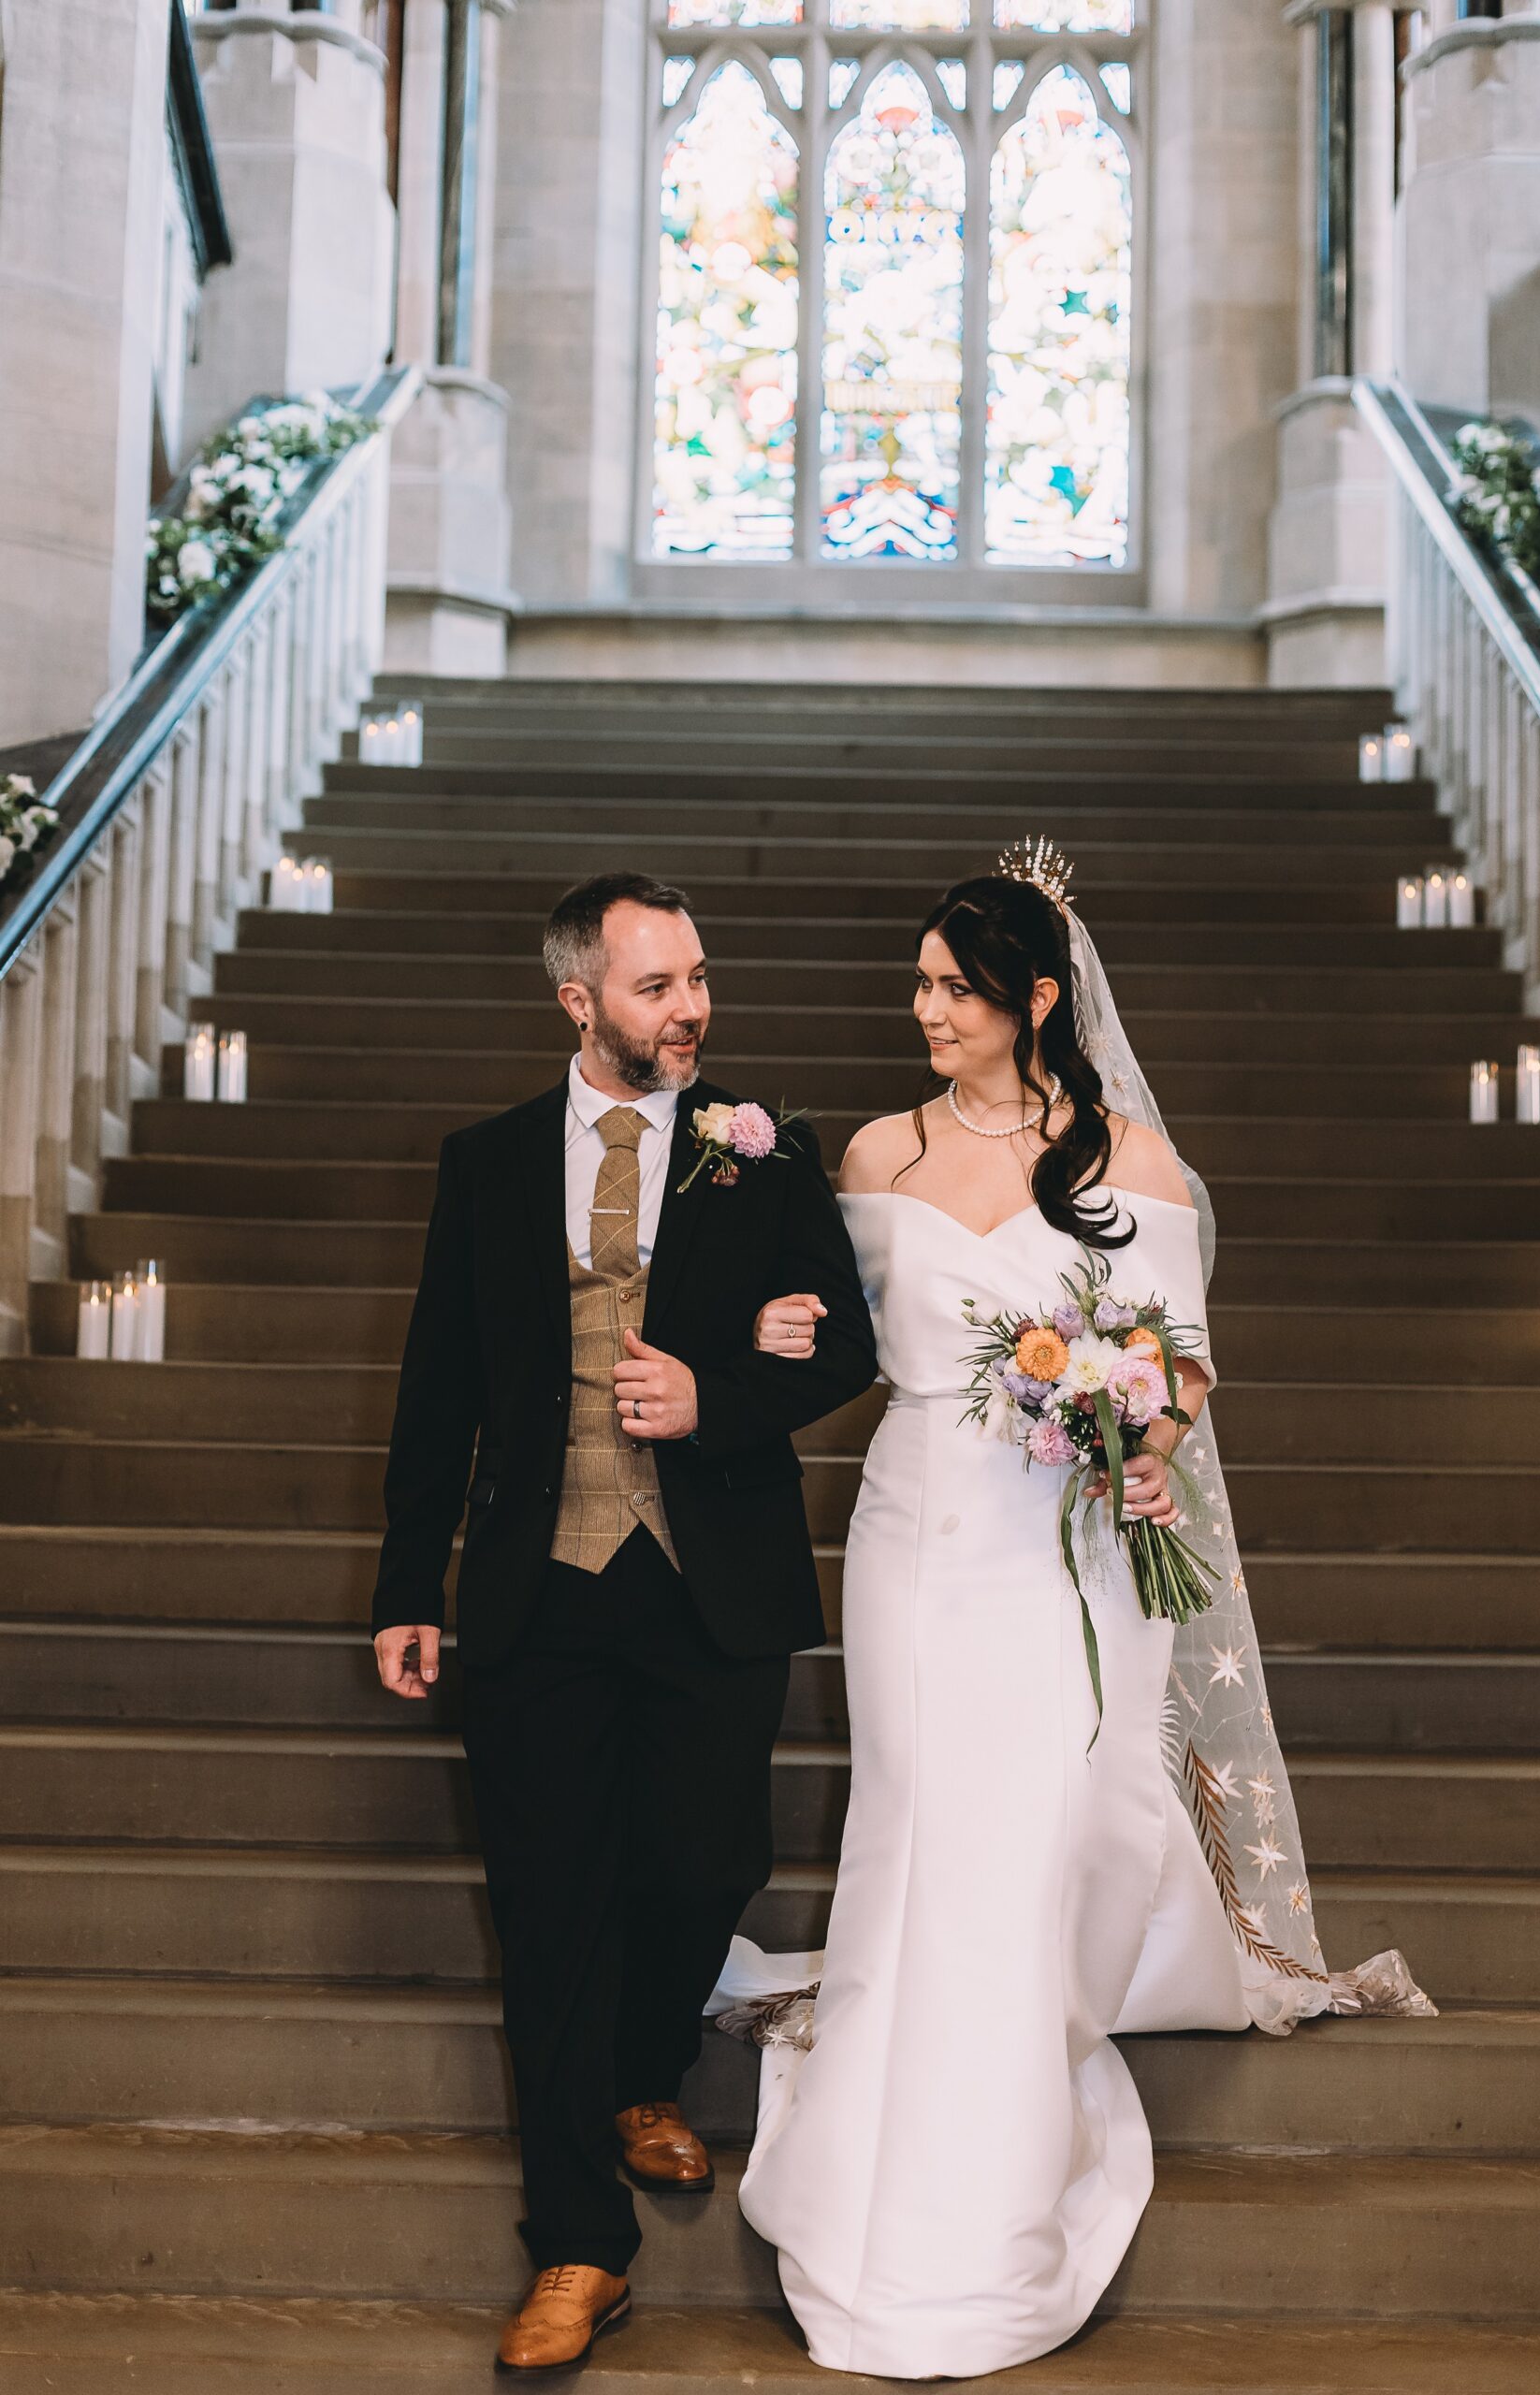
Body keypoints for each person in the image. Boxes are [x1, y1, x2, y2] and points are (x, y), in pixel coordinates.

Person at [724, 851, 1431, 2381]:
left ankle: (1004, 2126)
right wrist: (771, 1329)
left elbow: (1179, 1363)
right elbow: (824, 1338)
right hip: (917, 1532)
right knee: (917, 1821)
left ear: (1037, 1001)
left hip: (1076, 1545)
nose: (922, 1010)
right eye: (918, 983)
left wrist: (1150, 1440)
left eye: (952, 989)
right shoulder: (873, 1154)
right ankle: (885, 2112)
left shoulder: (1136, 1167)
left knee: (1039, 1827)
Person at [370, 871, 878, 2376]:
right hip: (538, 1586)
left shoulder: (763, 1152)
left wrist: (719, 1398)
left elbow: (846, 1341)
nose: (693, 1008)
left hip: (706, 1578)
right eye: (658, 987)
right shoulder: (487, 1162)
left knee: (707, 1860)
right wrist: (412, 1584)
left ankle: (641, 2071)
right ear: (579, 1000)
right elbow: (436, 1387)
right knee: (545, 1904)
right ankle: (577, 2247)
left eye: (699, 978)